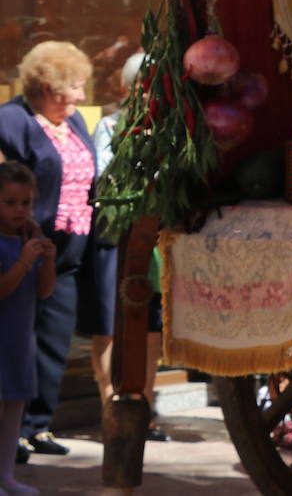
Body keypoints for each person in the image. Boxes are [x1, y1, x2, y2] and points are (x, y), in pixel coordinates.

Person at [0, 41, 97, 462]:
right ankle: (12, 432)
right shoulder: (11, 121)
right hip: (22, 249)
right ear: (45, 87)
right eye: (72, 87)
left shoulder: (72, 122)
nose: (79, 97)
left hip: (66, 252)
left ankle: (37, 425)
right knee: (17, 342)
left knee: (55, 340)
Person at [88, 51, 168, 442]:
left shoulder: (171, 128)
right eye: (142, 84)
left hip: (155, 240)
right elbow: (106, 178)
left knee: (150, 325)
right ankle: (112, 410)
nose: (148, 92)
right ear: (128, 88)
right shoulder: (110, 125)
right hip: (116, 236)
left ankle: (143, 412)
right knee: (110, 324)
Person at [0, 163, 56, 496]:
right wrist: (23, 261)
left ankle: (6, 476)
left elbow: (44, 291)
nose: (21, 210)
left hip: (20, 340)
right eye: (10, 202)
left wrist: (47, 259)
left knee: (14, 410)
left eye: (26, 203)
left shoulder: (28, 240)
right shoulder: (12, 247)